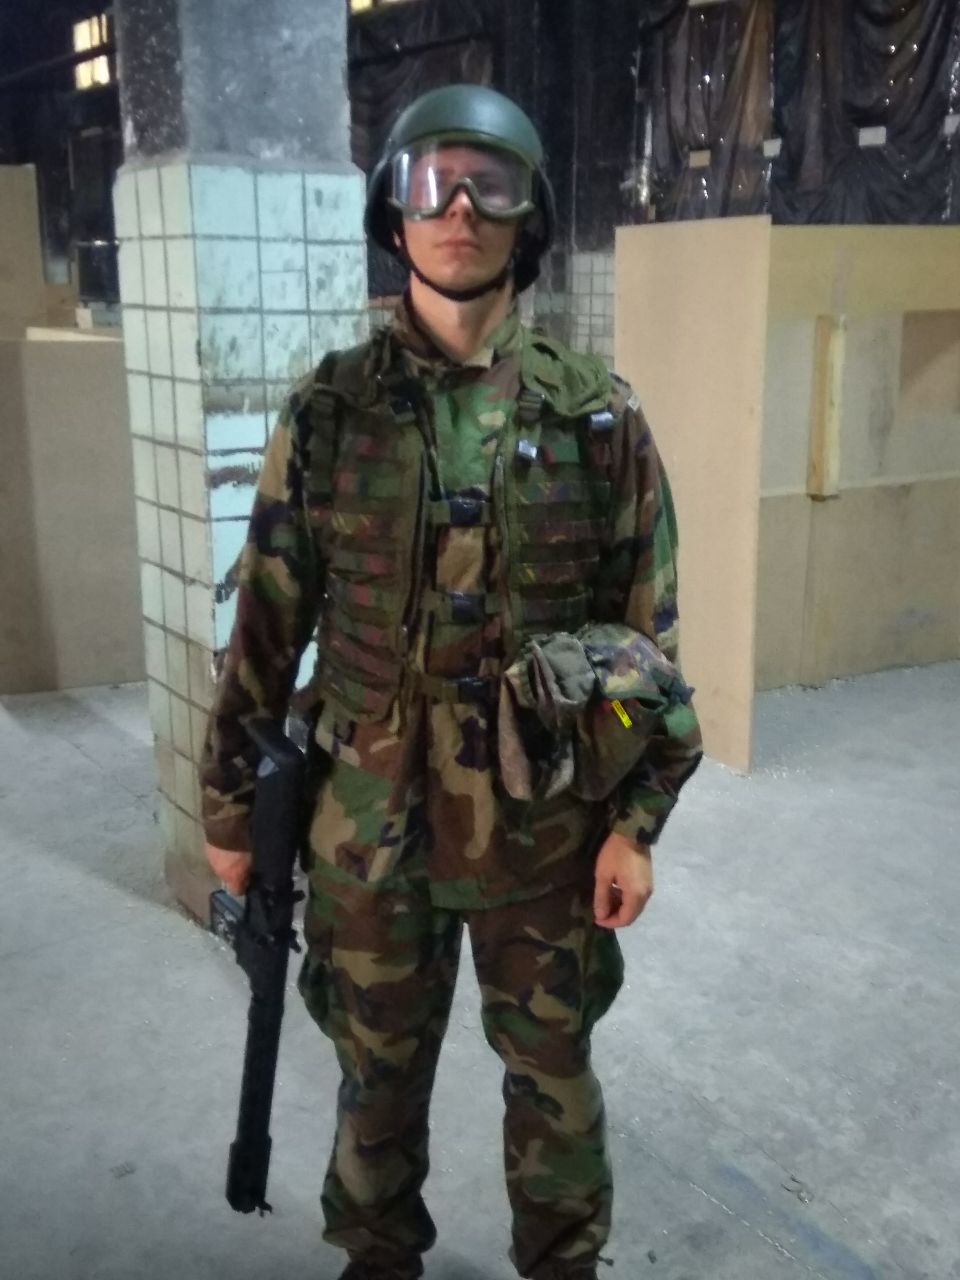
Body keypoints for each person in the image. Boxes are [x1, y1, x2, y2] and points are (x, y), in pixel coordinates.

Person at [200, 84, 701, 1280]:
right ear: (397, 211)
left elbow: (650, 649)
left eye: (491, 183)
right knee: (375, 1076)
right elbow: (264, 630)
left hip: (546, 824)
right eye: (434, 183)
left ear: (529, 217)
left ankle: (564, 1263)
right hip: (369, 825)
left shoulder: (598, 419)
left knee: (554, 1074)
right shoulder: (330, 414)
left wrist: (635, 824)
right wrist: (228, 809)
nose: (461, 208)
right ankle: (378, 1258)